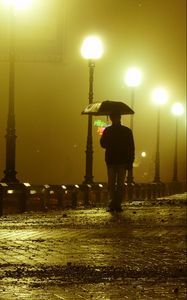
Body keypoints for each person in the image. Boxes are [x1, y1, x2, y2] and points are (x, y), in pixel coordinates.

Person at [100, 113, 135, 212]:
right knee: (119, 183)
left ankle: (114, 203)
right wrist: (130, 161)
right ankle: (117, 203)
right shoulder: (127, 131)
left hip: (112, 160)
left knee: (112, 183)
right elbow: (131, 148)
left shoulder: (108, 130)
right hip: (121, 161)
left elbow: (102, 144)